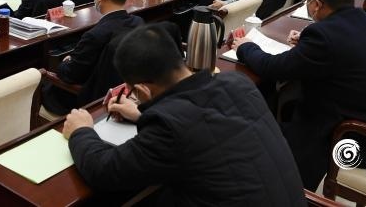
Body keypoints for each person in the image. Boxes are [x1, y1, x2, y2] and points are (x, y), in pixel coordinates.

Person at [63, 23, 305, 206]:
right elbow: (204, 127)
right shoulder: (237, 82)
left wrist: (81, 130)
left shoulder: (168, 129)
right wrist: (141, 115)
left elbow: (104, 171)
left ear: (142, 90)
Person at [233, 0, 366, 189]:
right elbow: (342, 48)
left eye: (307, 0)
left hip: (358, 139)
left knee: (263, 127)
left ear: (316, 4)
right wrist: (307, 44)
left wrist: (245, 47)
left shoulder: (325, 37)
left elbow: (273, 67)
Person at [43, 0, 143, 115]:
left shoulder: (94, 35)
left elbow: (70, 75)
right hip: (124, 89)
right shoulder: (138, 22)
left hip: (88, 100)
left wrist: (66, 62)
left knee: (44, 83)